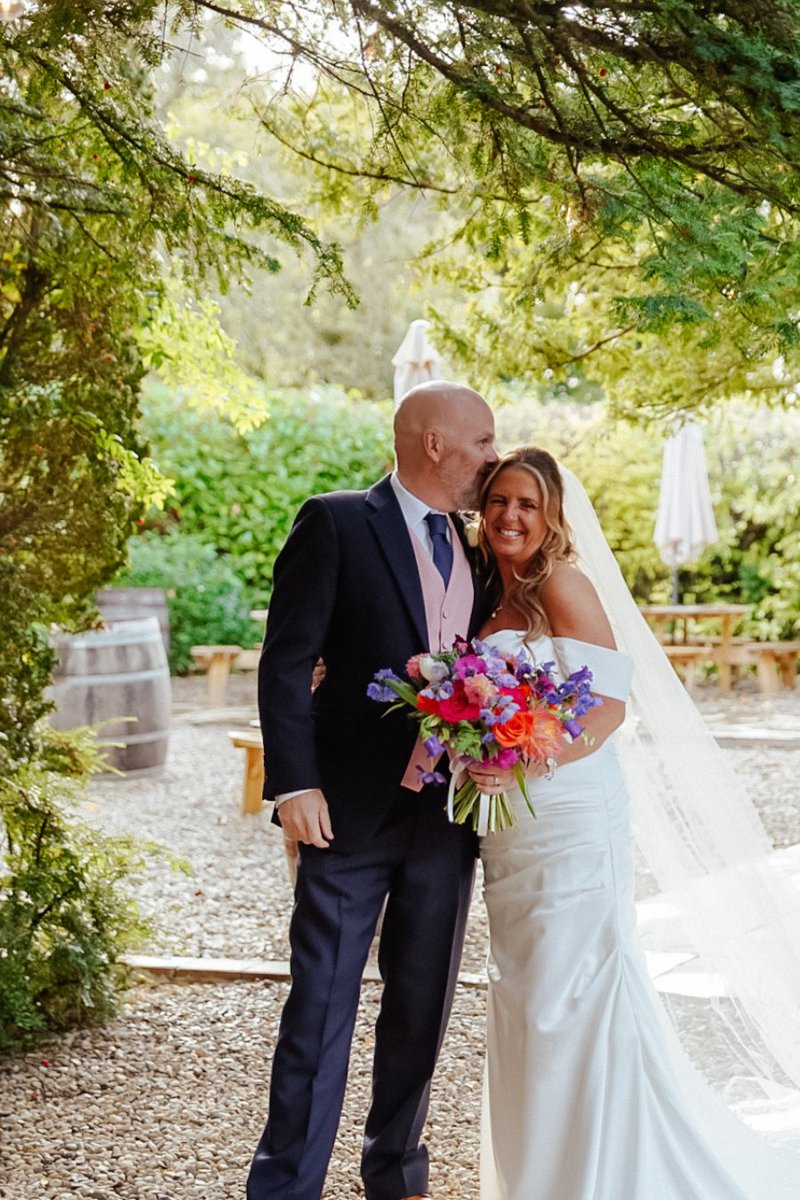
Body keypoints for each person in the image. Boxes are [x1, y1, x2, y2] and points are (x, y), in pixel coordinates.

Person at [466, 446, 800, 1200]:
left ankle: (599, 1175)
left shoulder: (563, 584)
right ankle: (543, 1167)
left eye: (528, 504)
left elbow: (607, 707)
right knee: (527, 992)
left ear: (553, 515)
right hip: (510, 825)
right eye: (500, 500)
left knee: (572, 992)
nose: (510, 516)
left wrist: (528, 766)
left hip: (566, 811)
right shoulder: (482, 593)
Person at [247, 381, 498, 1200]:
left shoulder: (481, 548)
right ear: (434, 444)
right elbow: (288, 661)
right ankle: (286, 1186)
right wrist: (294, 784)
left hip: (446, 814)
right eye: (483, 443)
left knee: (421, 1006)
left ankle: (395, 1171)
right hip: (346, 811)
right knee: (320, 1007)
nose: (492, 460)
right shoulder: (336, 521)